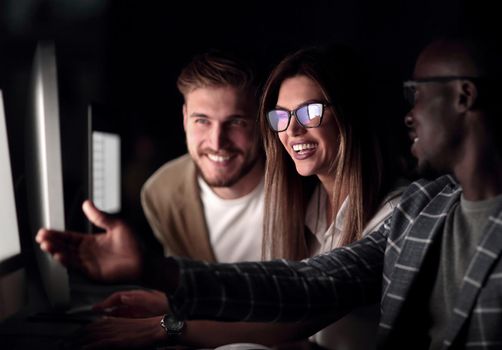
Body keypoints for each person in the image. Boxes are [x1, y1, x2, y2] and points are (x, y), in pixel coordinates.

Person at [37, 35, 502, 349]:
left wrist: (168, 313)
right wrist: (167, 297)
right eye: (280, 116)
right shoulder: (314, 200)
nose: (291, 129)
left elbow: (305, 301)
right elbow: (294, 285)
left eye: (311, 111)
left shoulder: (403, 207)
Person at [141, 50, 265, 264]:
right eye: (202, 121)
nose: (217, 143)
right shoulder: (160, 194)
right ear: (185, 118)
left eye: (236, 122)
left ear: (260, 121)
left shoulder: (302, 185)